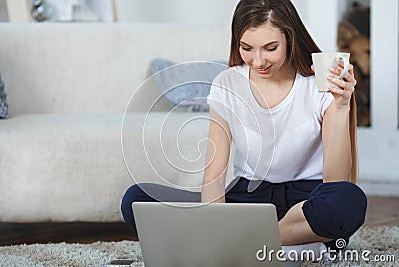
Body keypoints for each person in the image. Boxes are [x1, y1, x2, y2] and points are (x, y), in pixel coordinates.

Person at [121, 0, 367, 249]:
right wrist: (216, 219)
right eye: (247, 48)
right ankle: (277, 241)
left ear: (290, 40)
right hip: (247, 199)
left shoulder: (320, 85)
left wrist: (341, 106)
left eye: (270, 48)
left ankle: (240, 242)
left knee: (347, 200)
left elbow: (335, 180)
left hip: (305, 203)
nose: (258, 61)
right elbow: (214, 177)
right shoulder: (226, 84)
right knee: (137, 200)